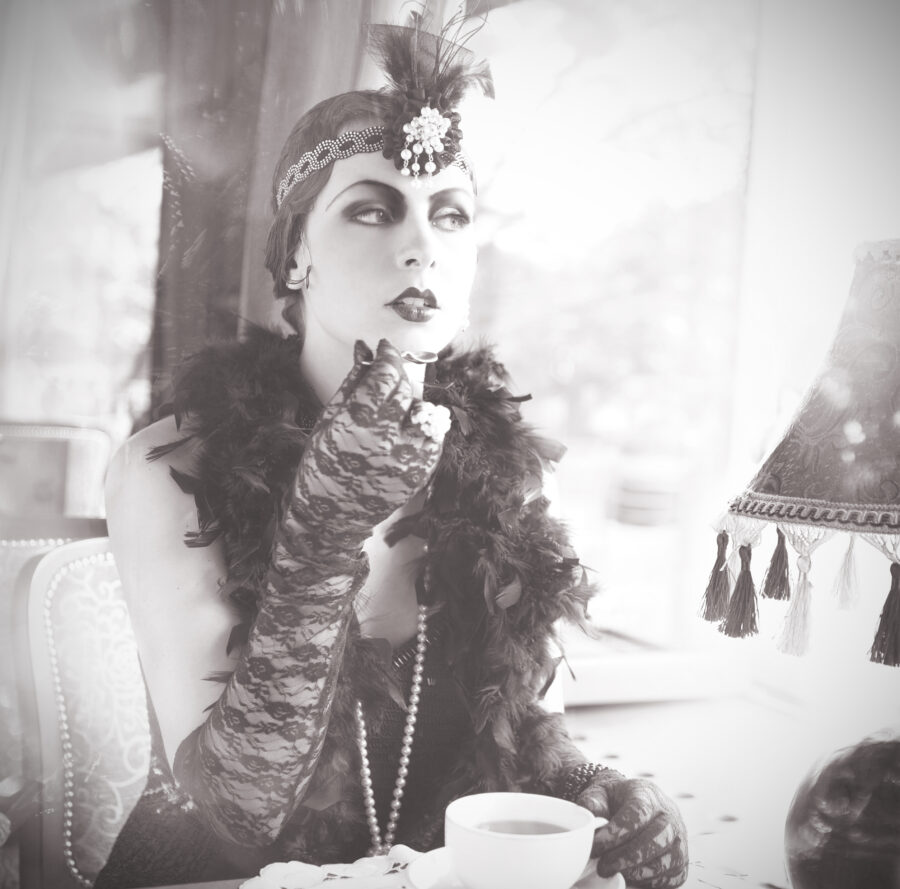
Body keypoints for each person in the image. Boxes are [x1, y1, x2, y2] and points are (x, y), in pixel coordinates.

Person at [97, 13, 688, 889]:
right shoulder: (168, 466)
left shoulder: (502, 463)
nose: (423, 247)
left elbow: (521, 725)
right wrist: (324, 528)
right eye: (373, 210)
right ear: (297, 254)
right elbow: (238, 812)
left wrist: (594, 788)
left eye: (452, 216)